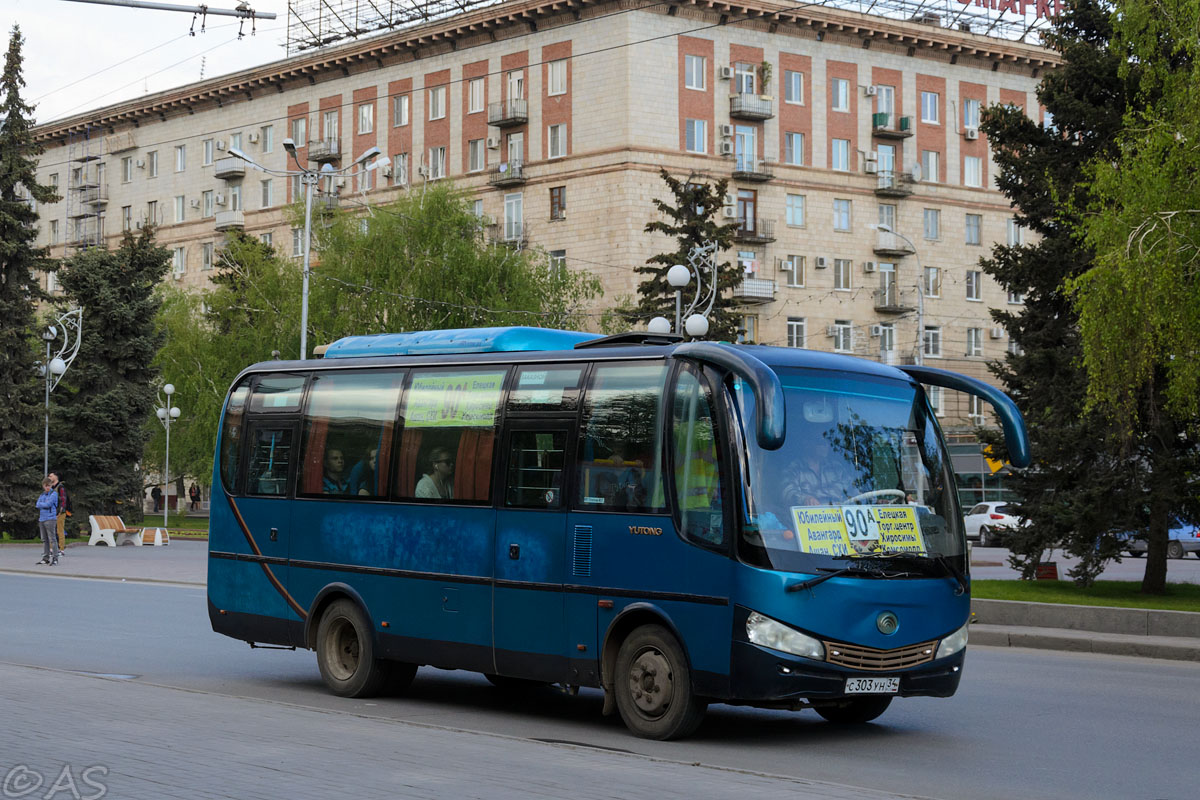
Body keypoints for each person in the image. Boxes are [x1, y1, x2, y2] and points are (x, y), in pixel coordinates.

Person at [36, 476, 59, 566]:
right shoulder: (42, 495)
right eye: (46, 486)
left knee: (52, 539)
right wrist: (43, 504)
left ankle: (55, 558)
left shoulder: (54, 494)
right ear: (43, 486)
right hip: (42, 519)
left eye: (49, 485)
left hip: (50, 518)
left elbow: (49, 504)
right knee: (44, 539)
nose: (47, 487)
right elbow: (37, 504)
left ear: (51, 485)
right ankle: (45, 558)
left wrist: (43, 504)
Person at [49, 472, 70, 557]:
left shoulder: (60, 487)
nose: (49, 477)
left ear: (56, 477)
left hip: (59, 513)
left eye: (51, 475)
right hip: (51, 512)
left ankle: (61, 550)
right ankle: (51, 549)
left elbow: (63, 500)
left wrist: (60, 512)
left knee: (59, 530)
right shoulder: (50, 487)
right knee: (51, 530)